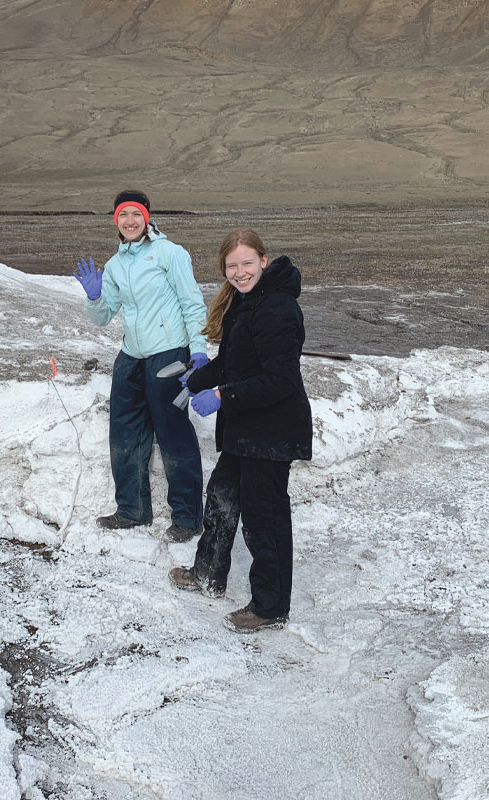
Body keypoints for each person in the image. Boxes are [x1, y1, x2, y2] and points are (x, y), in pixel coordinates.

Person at [168, 229, 312, 633]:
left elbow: (279, 380)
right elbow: (234, 363)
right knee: (222, 497)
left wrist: (222, 396)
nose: (240, 271)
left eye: (247, 263)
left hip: (272, 431)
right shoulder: (245, 303)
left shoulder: (279, 308)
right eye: (232, 266)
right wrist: (200, 378)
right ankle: (208, 573)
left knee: (264, 518)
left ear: (264, 261)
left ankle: (270, 607)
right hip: (245, 427)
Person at [73, 190, 208, 542]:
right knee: (125, 432)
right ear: (115, 221)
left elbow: (192, 303)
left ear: (147, 218)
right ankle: (132, 510)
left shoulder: (170, 253)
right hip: (131, 356)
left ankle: (188, 517)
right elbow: (103, 317)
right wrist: (93, 296)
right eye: (123, 215)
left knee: (173, 434)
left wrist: (198, 349)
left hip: (168, 354)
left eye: (136, 214)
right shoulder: (117, 265)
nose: (130, 221)